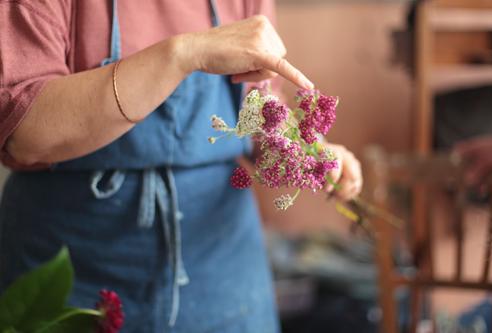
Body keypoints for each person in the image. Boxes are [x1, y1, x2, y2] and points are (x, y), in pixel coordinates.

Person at [0, 1, 362, 332]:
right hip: (76, 267)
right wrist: (183, 53)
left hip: (221, 273)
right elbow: (25, 132)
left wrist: (308, 153)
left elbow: (257, 109)